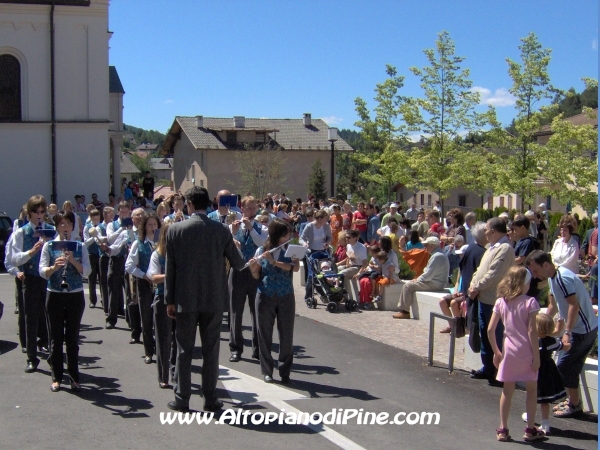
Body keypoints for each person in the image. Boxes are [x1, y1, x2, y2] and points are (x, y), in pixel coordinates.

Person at [165, 186, 244, 413]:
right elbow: (238, 263)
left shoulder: (175, 230)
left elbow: (171, 269)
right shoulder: (221, 230)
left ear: (189, 204)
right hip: (213, 298)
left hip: (185, 298)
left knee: (184, 350)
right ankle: (210, 398)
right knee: (211, 350)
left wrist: (170, 300)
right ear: (208, 204)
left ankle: (182, 398)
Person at [525, 250, 598, 419]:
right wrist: (540, 326)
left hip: (582, 331)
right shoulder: (552, 277)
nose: (535, 276)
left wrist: (567, 331)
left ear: (545, 265)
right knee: (569, 365)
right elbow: (554, 305)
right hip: (579, 329)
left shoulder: (562, 278)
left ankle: (574, 405)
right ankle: (573, 401)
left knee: (564, 366)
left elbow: (573, 306)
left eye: (536, 271)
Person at [487, 266, 543, 442]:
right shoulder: (530, 302)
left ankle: (503, 428)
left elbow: (490, 329)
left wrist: (496, 351)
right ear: (524, 284)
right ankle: (530, 429)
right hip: (527, 351)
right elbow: (532, 331)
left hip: (508, 352)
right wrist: (537, 355)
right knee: (531, 389)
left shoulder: (501, 302)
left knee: (507, 390)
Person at [39, 210, 91, 392]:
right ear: (56, 226)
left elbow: (87, 271)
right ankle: (57, 377)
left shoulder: (79, 246)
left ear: (72, 226)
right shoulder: (49, 246)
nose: (65, 227)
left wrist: (73, 261)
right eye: (61, 224)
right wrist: (55, 267)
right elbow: (42, 271)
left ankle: (75, 377)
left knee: (72, 338)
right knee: (55, 337)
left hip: (75, 294)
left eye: (68, 224)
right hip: (54, 294)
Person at [8, 195, 55, 372]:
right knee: (31, 318)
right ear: (29, 213)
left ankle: (52, 354)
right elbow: (14, 258)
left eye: (42, 211)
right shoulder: (21, 232)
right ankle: (31, 357)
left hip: (49, 277)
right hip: (31, 278)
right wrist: (31, 251)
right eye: (36, 211)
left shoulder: (50, 230)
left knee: (51, 317)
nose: (40, 215)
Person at [249, 219, 299, 383]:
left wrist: (274, 262)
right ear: (277, 234)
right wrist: (253, 267)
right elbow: (256, 275)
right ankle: (267, 371)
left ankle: (285, 371)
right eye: (285, 234)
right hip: (265, 294)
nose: (288, 236)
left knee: (286, 335)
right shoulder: (261, 250)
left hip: (285, 294)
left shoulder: (290, 250)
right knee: (264, 334)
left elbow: (295, 267)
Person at [468, 218, 515, 385]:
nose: (485, 233)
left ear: (494, 231)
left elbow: (494, 274)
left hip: (494, 300)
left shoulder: (505, 249)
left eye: (487, 230)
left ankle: (499, 370)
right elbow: (481, 270)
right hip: (483, 298)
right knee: (484, 334)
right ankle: (487, 366)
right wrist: (474, 283)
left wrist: (477, 287)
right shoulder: (490, 248)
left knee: (495, 335)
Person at [229, 196, 268, 362]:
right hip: (237, 270)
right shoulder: (233, 226)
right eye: (248, 208)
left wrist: (251, 228)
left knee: (256, 310)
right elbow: (225, 246)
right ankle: (236, 348)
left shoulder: (262, 227)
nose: (252, 211)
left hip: (255, 270)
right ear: (242, 209)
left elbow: (261, 243)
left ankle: (257, 348)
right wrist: (232, 235)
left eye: (254, 208)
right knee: (235, 311)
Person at [523, 313, 569, 435]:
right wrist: (568, 344)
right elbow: (563, 347)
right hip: (548, 371)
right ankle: (545, 423)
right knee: (545, 400)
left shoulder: (531, 340)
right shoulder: (551, 341)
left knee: (531, 395)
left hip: (534, 370)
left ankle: (530, 416)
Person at [126, 212, 160, 363]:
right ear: (144, 227)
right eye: (150, 225)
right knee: (146, 319)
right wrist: (143, 275)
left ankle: (161, 350)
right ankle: (148, 352)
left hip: (160, 285)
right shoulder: (138, 243)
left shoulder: (162, 242)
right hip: (145, 284)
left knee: (160, 320)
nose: (153, 228)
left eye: (155, 225)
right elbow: (129, 266)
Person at [393, 236, 449, 319]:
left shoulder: (437, 256)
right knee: (409, 284)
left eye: (426, 245)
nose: (425, 247)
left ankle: (405, 312)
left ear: (432, 246)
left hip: (435, 284)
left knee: (408, 286)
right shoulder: (439, 254)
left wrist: (417, 280)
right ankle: (404, 310)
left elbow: (428, 275)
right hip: (436, 282)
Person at [147, 223, 173, 388]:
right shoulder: (157, 254)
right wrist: (170, 274)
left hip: (181, 299)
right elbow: (154, 277)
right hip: (162, 298)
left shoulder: (184, 253)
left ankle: (177, 374)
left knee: (179, 340)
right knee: (163, 339)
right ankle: (163, 376)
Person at [102, 201, 132, 328]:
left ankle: (131, 320)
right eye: (122, 211)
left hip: (127, 258)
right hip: (115, 258)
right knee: (113, 289)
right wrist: (122, 228)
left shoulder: (132, 224)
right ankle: (111, 319)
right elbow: (110, 239)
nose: (124, 213)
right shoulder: (111, 224)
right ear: (118, 212)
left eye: (126, 211)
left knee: (129, 290)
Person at [300, 209, 333, 301]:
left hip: (323, 251)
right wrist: (304, 244)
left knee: (325, 272)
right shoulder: (309, 226)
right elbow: (301, 238)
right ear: (319, 219)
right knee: (312, 274)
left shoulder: (326, 226)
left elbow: (330, 237)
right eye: (325, 219)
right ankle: (308, 295)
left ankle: (326, 292)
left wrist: (327, 243)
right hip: (312, 252)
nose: (326, 221)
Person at [83, 209, 102, 308]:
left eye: (97, 219)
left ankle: (104, 299)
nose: (96, 221)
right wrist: (94, 237)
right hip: (91, 254)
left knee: (102, 278)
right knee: (92, 278)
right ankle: (92, 300)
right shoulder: (87, 227)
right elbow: (85, 242)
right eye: (94, 219)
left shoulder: (101, 226)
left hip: (101, 254)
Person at [97, 206, 113, 313]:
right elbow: (98, 239)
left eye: (113, 215)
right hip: (103, 257)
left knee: (112, 283)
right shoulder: (100, 227)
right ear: (104, 215)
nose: (112, 217)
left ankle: (115, 307)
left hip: (113, 256)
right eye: (109, 215)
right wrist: (109, 237)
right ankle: (106, 306)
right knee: (104, 281)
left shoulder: (114, 226)